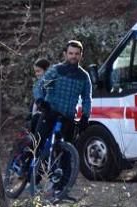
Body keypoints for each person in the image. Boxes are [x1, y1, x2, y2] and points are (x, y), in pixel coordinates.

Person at [35, 40, 91, 197]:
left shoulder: (84, 76)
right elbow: (40, 86)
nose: (73, 57)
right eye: (70, 53)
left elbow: (87, 98)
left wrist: (85, 115)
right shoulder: (56, 70)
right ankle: (28, 173)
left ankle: (62, 189)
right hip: (50, 112)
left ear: (81, 56)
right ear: (65, 54)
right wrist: (40, 100)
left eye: (76, 54)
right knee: (37, 144)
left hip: (67, 117)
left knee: (67, 153)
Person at [29, 57, 51, 134]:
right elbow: (37, 94)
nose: (36, 74)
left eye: (38, 71)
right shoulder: (38, 84)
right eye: (35, 72)